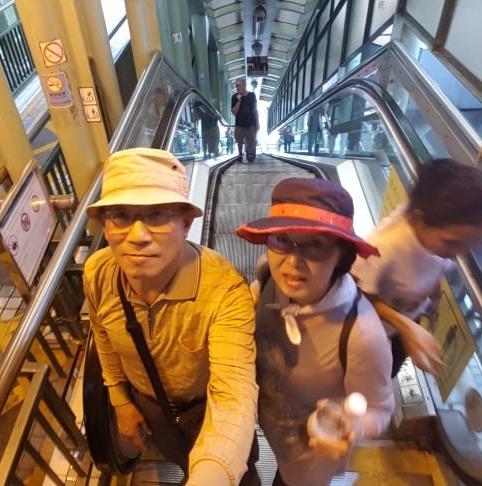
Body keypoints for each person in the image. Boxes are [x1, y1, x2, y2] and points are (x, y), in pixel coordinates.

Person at [83, 148, 259, 486]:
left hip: (206, 409)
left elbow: (234, 394)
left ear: (186, 223)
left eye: (156, 215)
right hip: (151, 409)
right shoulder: (98, 274)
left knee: (241, 475)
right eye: (120, 215)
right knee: (180, 458)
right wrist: (120, 400)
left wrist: (211, 477)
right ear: (104, 224)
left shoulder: (224, 290)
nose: (138, 236)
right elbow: (102, 336)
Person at [236, 178, 394, 485]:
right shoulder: (269, 275)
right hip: (264, 425)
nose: (293, 261)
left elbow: (380, 410)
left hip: (311, 453)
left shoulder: (361, 335)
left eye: (317, 245)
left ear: (341, 255)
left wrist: (352, 430)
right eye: (281, 239)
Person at [351, 158, 482, 376]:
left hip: (405, 322)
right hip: (371, 331)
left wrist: (431, 296)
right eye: (452, 243)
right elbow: (354, 295)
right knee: (370, 374)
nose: (459, 253)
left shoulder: (439, 228)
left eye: (472, 243)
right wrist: (405, 327)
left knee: (389, 369)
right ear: (418, 220)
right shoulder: (383, 249)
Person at [231, 78, 259, 162]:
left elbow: (255, 110)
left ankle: (249, 154)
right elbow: (234, 112)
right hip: (239, 124)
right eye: (236, 86)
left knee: (250, 141)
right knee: (239, 140)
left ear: (244, 85)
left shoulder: (251, 95)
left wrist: (257, 123)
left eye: (239, 85)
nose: (237, 88)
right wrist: (239, 101)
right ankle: (240, 154)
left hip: (250, 123)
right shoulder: (234, 97)